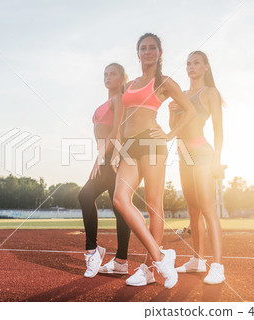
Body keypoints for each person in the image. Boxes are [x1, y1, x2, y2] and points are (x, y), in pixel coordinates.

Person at [112, 33, 196, 288]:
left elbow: (190, 111)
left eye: (152, 48)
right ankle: (161, 257)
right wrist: (117, 148)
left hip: (152, 142)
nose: (147, 52)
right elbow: (122, 119)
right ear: (137, 53)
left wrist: (170, 134)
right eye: (143, 48)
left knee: (153, 204)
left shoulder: (164, 81)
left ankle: (149, 267)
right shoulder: (129, 84)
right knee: (119, 199)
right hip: (129, 146)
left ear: (159, 53)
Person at [169, 51, 225, 284]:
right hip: (183, 156)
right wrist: (171, 113)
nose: (191, 67)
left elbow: (218, 130)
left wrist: (216, 160)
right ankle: (198, 260)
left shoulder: (210, 93)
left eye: (196, 63)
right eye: (188, 63)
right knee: (193, 209)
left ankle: (218, 266)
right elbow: (173, 128)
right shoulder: (180, 95)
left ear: (206, 68)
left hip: (202, 154)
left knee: (207, 208)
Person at [78, 63, 131, 278]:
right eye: (105, 74)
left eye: (113, 74)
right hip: (107, 155)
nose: (108, 77)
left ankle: (92, 250)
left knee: (85, 195)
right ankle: (121, 261)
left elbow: (118, 128)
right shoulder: (107, 101)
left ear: (122, 78)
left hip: (113, 157)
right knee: (120, 209)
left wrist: (105, 155)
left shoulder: (119, 99)